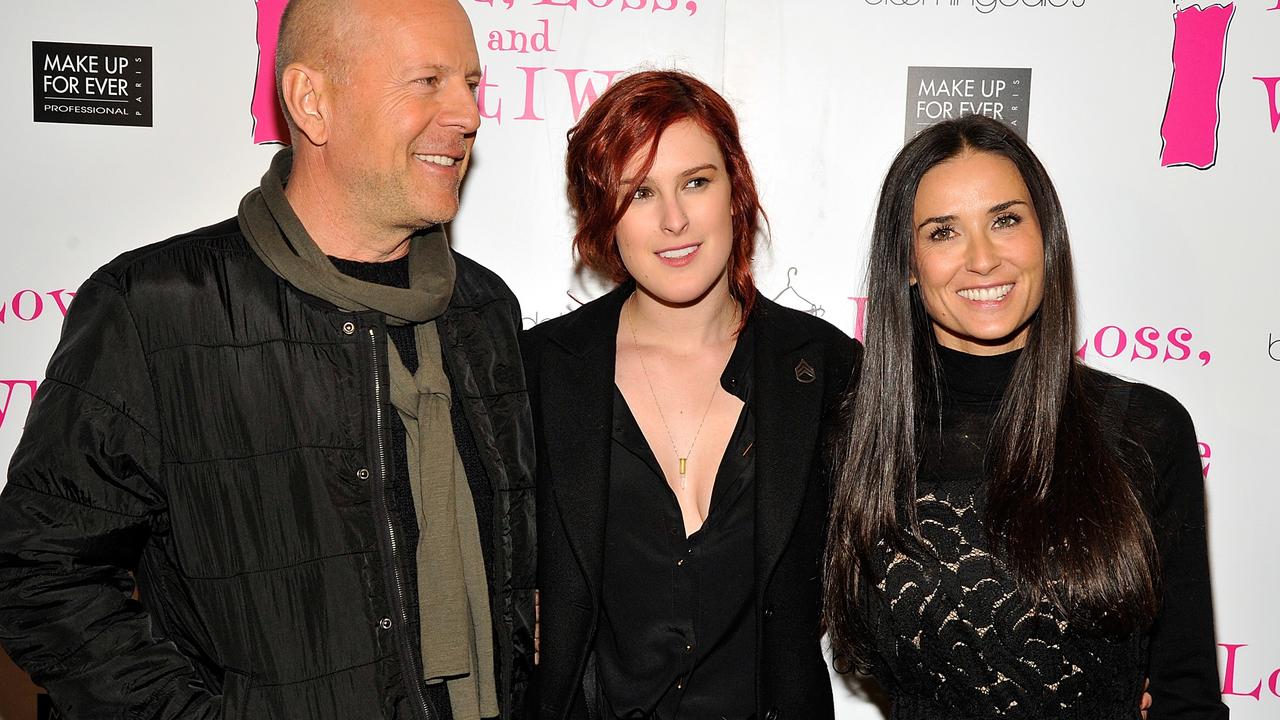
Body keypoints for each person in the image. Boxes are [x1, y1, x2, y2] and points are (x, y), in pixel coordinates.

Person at [0, 0, 534, 718]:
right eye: (428, 81)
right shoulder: (155, 308)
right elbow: (39, 572)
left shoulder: (483, 311)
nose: (468, 114)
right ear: (313, 102)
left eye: (471, 82)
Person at [823, 114, 1228, 719]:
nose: (982, 259)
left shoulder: (1147, 429)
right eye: (943, 233)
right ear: (907, 263)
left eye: (1005, 220)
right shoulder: (855, 438)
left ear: (1047, 238)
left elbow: (1185, 691)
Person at [524, 70, 859, 720]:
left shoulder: (827, 370)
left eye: (695, 182)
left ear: (735, 188)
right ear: (603, 212)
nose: (673, 219)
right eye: (640, 191)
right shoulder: (539, 371)